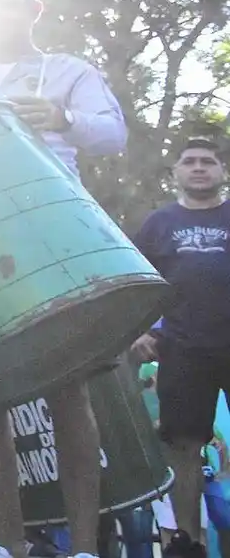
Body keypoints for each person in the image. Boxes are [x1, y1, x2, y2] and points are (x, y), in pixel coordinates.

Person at [0, 0, 128, 558]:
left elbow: (112, 136)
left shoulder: (70, 72)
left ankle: (86, 547)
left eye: (11, 2)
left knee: (68, 389)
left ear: (34, 8)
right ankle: (12, 549)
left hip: (54, 232)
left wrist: (63, 118)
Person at [131, 137, 230, 558]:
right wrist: (140, 331)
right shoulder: (158, 224)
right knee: (184, 447)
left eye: (208, 161)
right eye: (189, 161)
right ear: (176, 172)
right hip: (182, 348)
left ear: (222, 171)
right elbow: (135, 283)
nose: (199, 167)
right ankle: (189, 542)